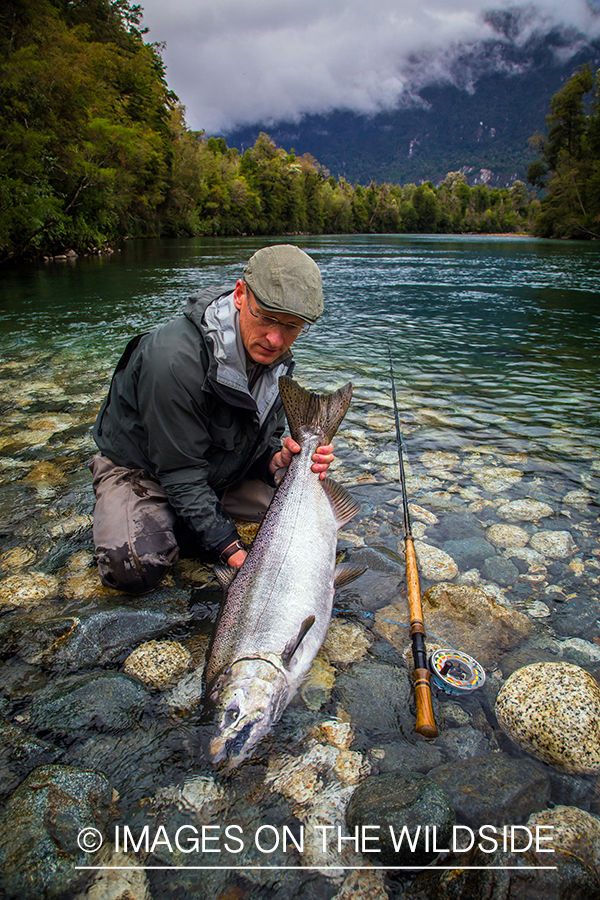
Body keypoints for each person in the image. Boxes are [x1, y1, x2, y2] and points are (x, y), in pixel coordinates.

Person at [89, 244, 335, 594]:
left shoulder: (274, 362)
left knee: (309, 526)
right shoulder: (173, 360)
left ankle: (190, 525)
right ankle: (153, 518)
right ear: (240, 294)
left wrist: (277, 462)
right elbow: (180, 473)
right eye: (266, 317)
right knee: (134, 568)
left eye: (292, 327)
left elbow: (261, 443)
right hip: (144, 472)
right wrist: (232, 550)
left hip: (220, 472)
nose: (275, 339)